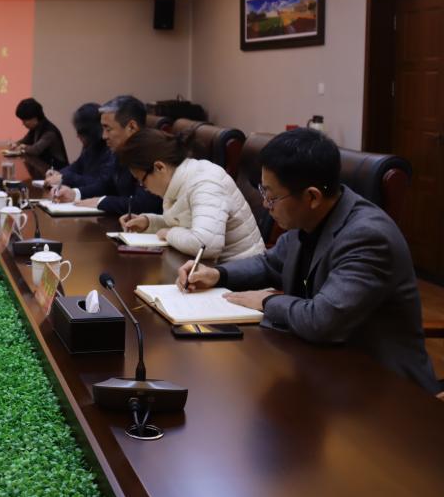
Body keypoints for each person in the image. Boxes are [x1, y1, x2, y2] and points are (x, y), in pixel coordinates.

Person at [178, 129, 439, 394]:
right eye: (263, 191)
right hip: (322, 367)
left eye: (272, 196)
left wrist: (267, 302)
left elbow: (322, 321)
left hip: (384, 388)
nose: (266, 205)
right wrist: (217, 274)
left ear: (312, 197)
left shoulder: (368, 237)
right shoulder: (309, 218)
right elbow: (269, 264)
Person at [118, 128, 264, 263]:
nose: (143, 187)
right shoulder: (182, 179)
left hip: (243, 272)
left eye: (142, 180)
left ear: (159, 167)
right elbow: (188, 224)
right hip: (214, 268)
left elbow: (206, 244)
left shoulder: (205, 183)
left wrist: (168, 234)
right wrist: (149, 223)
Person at [70, 95, 162, 214]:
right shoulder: (121, 150)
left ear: (132, 127)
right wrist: (75, 193)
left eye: (108, 129)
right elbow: (107, 185)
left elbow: (143, 204)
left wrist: (101, 202)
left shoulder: (152, 154)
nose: (104, 136)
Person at [43, 102, 115, 200]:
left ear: (90, 132)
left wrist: (65, 178)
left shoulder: (111, 149)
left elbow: (102, 184)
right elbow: (77, 166)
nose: (77, 136)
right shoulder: (91, 146)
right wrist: (58, 174)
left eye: (80, 132)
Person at [8, 98, 69, 170]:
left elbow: (35, 150)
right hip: (44, 168)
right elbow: (25, 140)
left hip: (57, 171)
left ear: (34, 118)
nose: (23, 124)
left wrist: (22, 147)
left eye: (24, 120)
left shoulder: (50, 132)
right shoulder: (36, 127)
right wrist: (16, 144)